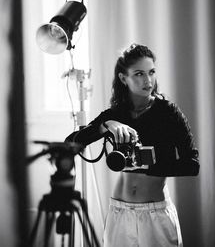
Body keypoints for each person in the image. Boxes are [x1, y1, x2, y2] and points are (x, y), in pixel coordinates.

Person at [66, 43, 200, 247]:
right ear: (123, 78)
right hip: (119, 212)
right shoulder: (115, 114)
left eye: (151, 72)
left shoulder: (168, 112)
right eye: (139, 74)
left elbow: (192, 164)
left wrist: (149, 165)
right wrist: (105, 126)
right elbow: (71, 143)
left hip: (155, 213)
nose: (148, 80)